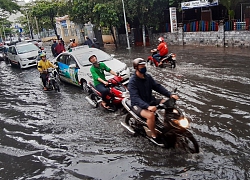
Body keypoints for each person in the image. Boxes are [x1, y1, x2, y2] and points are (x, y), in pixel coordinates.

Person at [128, 58, 179, 146]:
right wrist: (148, 107)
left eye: (144, 66)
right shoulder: (132, 82)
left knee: (168, 103)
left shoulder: (147, 77)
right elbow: (135, 98)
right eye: (141, 66)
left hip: (149, 100)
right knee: (150, 115)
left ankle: (167, 124)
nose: (144, 68)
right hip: (137, 104)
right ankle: (154, 135)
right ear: (136, 68)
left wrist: (170, 95)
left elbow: (157, 87)